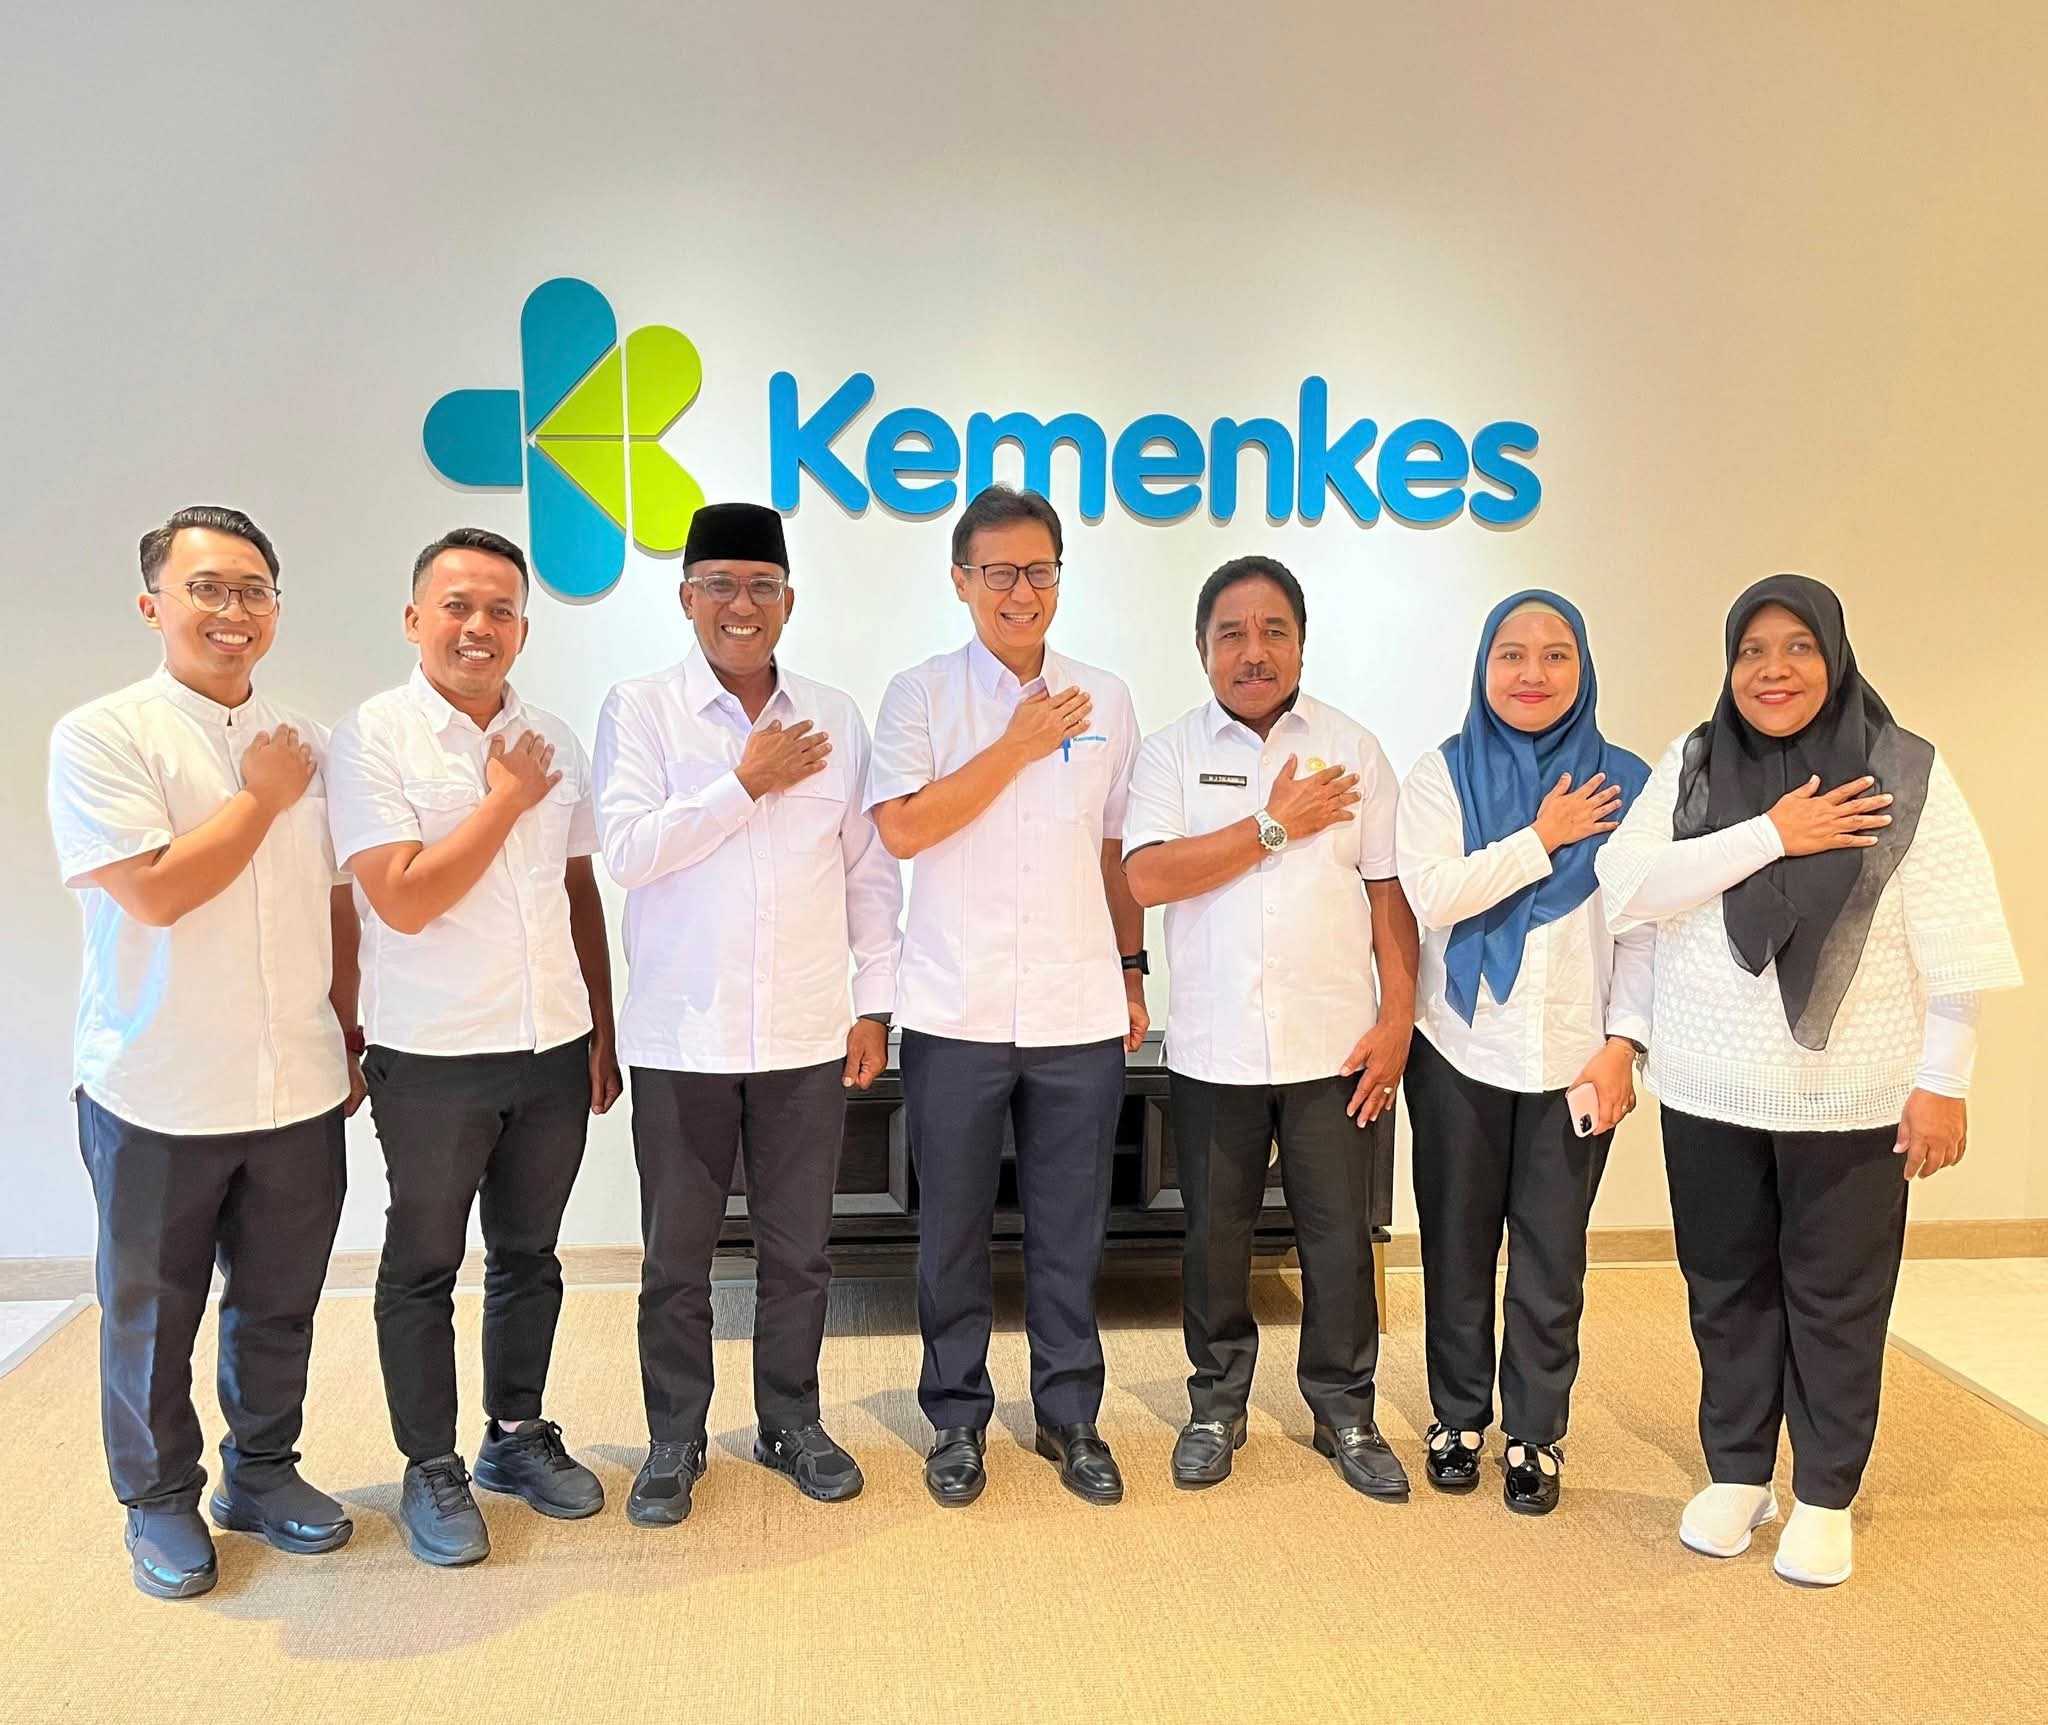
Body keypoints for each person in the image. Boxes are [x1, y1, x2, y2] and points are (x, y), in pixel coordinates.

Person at [1597, 574, 2020, 1586]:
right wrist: (1771, 835)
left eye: (1796, 647)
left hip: (1854, 1093)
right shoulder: (1694, 761)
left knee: (1836, 1298)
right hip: (1707, 1087)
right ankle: (1738, 1473)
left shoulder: (1903, 768)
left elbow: (1956, 937)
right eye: (1751, 650)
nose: (1772, 669)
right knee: (1724, 1288)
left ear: (1834, 656)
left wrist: (1944, 1079)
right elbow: (1628, 885)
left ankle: (1825, 1491)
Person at [47, 505, 363, 1599]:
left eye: (253, 589)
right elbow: (155, 891)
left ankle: (262, 1472)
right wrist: (261, 798)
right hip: (156, 1085)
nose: (234, 610)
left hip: (297, 1081)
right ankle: (158, 1498)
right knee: (152, 1313)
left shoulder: (311, 740)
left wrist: (348, 1028)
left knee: (279, 1301)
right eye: (207, 589)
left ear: (277, 605)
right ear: (154, 605)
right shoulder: (103, 735)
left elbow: (338, 901)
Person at [592, 502, 901, 1526]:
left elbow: (867, 872)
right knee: (676, 1259)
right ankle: (674, 1436)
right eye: (719, 585)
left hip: (806, 1033)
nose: (741, 604)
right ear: (687, 598)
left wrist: (874, 1003)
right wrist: (743, 782)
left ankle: (789, 1421)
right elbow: (629, 851)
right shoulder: (641, 709)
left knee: (799, 1250)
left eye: (761, 586)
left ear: (788, 601)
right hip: (682, 1036)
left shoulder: (833, 716)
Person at [326, 527, 622, 1566]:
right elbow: (403, 899)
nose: (478, 627)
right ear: (415, 619)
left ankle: (514, 1433)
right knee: (423, 1264)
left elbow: (577, 889)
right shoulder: (371, 738)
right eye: (457, 606)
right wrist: (503, 800)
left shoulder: (551, 737)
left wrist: (601, 1024)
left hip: (551, 1044)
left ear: (524, 630)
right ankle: (429, 1464)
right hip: (434, 1055)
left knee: (530, 1256)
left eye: (501, 610)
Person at [865, 484, 1148, 1509]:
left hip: (1078, 1006)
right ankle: (955, 1417)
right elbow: (902, 828)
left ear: (1059, 579)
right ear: (961, 581)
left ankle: (1070, 1413)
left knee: (1071, 1226)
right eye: (998, 573)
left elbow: (1116, 848)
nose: (1020, 591)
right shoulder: (920, 695)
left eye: (1039, 571)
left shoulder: (1105, 697)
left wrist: (1132, 970)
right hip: (956, 1005)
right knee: (951, 1225)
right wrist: (1016, 746)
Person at [1123, 556, 1420, 1499]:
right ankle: (1216, 1403)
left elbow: (1389, 895)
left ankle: (1345, 1408)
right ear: (1202, 648)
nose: (1253, 651)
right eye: (1232, 634)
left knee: (1338, 1239)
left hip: (1336, 1046)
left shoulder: (1354, 748)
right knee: (1216, 1237)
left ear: (1301, 642)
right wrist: (1273, 823)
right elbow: (1148, 876)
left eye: (1273, 631)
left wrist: (1399, 1019)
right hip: (1214, 1048)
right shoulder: (1169, 753)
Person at [1395, 590, 1650, 1515]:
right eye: (1512, 654)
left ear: (1583, 667)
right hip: (1457, 1048)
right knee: (1456, 1244)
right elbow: (1433, 894)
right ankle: (1457, 1416)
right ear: (1484, 667)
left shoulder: (1626, 782)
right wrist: (1544, 836)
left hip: (1576, 1059)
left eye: (1555, 654)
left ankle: (1536, 1429)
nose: (1532, 673)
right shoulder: (1442, 773)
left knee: (1552, 1256)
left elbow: (1646, 929)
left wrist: (1625, 1044)